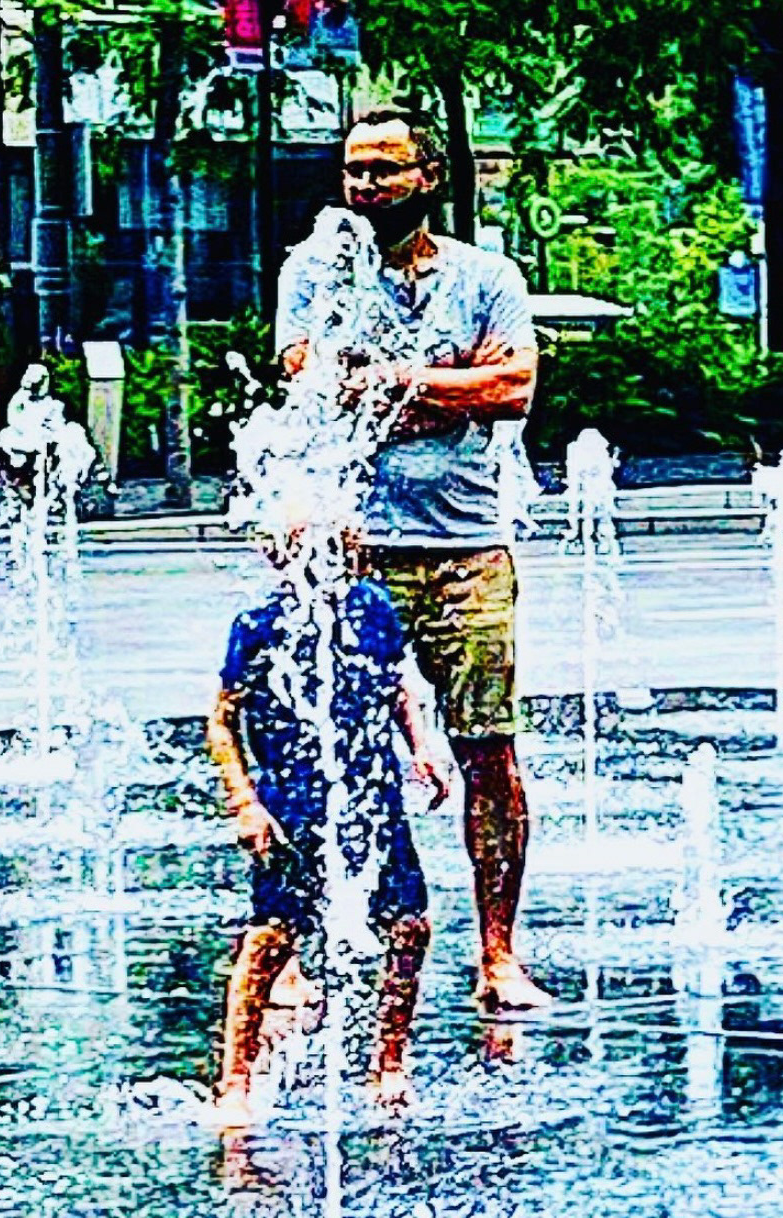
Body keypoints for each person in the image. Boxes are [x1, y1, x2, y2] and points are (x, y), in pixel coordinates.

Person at [275, 108, 551, 1012]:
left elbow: (512, 389)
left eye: (384, 171)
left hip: (467, 546)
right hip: (353, 545)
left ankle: (498, 955)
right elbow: (309, 379)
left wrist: (389, 382)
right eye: (353, 170)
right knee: (333, 752)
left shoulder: (486, 276)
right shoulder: (315, 267)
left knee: (489, 752)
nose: (362, 187)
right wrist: (449, 389)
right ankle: (318, 953)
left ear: (427, 177)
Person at [208, 522, 448, 1122]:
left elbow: (397, 688)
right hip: (292, 803)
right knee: (270, 938)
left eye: (338, 541)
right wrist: (245, 800)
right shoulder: (260, 626)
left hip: (374, 795)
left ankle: (389, 1060)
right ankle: (235, 1081)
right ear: (277, 553)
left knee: (409, 927)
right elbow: (221, 721)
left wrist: (421, 747)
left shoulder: (374, 609)